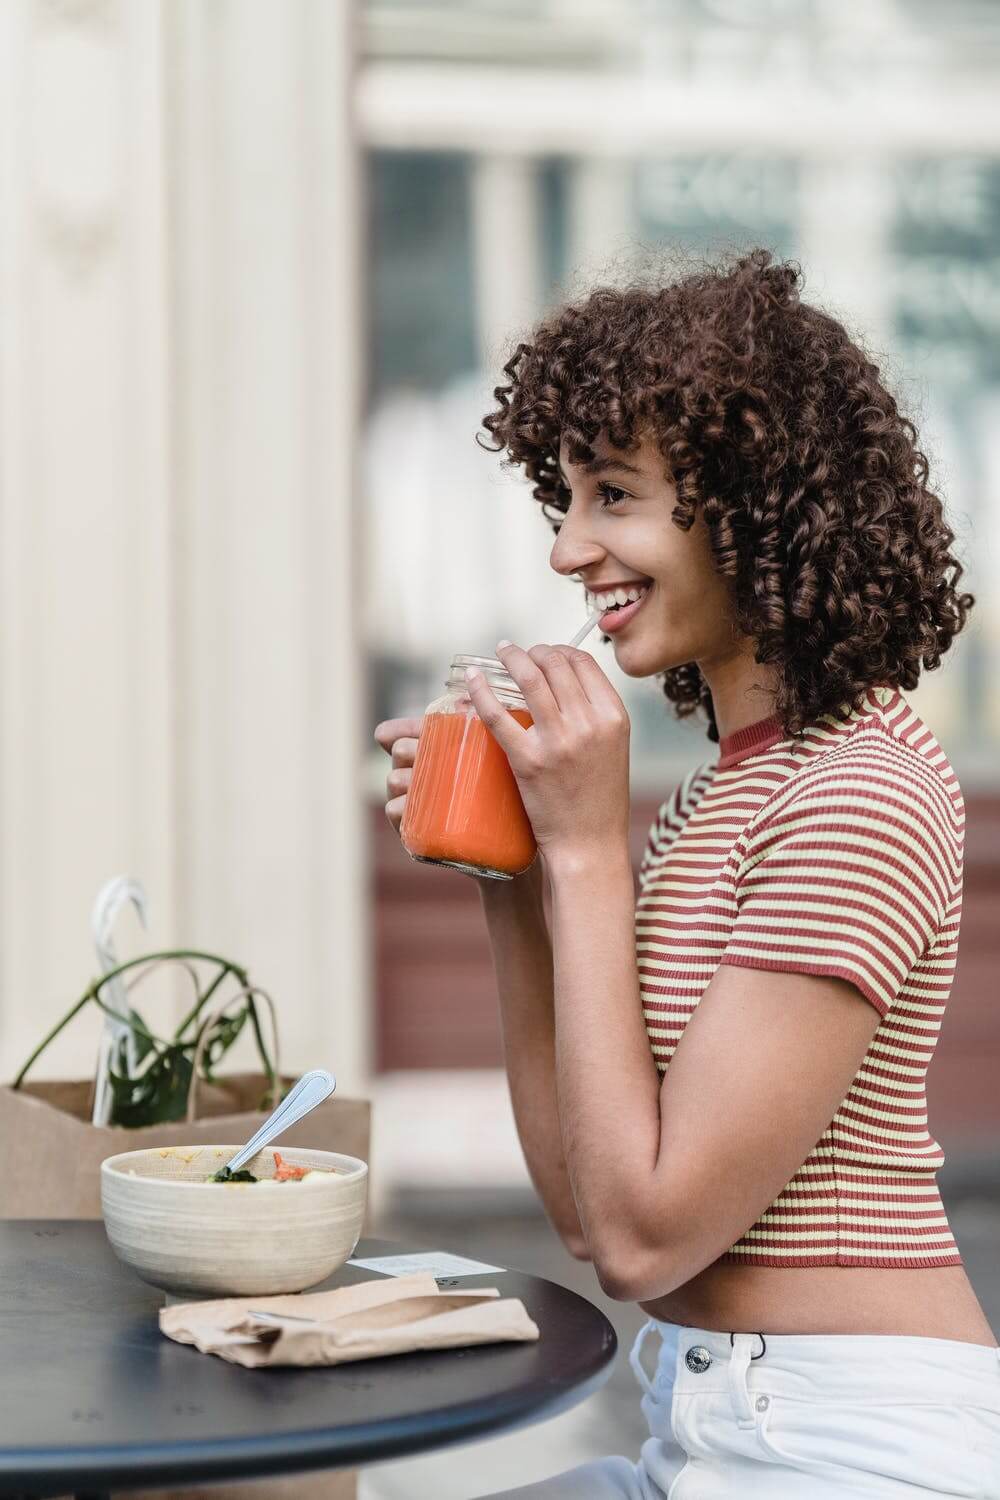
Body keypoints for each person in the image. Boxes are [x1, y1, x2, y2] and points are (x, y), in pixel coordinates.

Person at [374, 248, 1000, 1496]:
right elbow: (582, 1199)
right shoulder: (731, 785)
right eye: (563, 501)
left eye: (612, 496)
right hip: (707, 1433)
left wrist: (589, 847)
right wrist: (509, 876)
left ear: (751, 502)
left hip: (852, 1448)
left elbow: (642, 1237)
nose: (565, 550)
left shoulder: (859, 793)